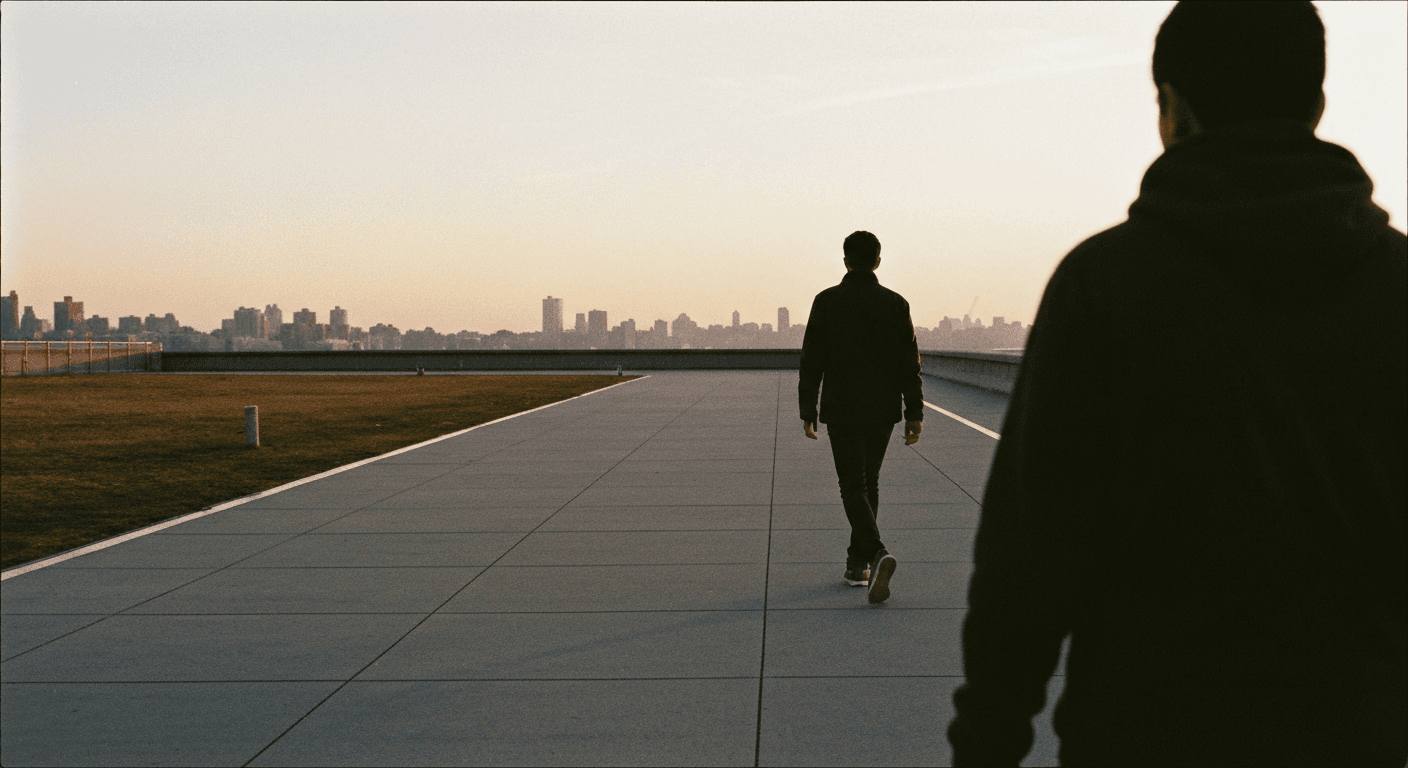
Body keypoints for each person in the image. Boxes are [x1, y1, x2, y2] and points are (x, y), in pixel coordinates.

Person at [947, 2, 1407, 765]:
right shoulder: (1396, 285)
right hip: (1358, 733)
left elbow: (1029, 557)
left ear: (1174, 108)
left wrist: (986, 742)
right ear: (1317, 105)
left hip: (1141, 734)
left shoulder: (1104, 285)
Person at [799, 230, 925, 605]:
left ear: (845, 261)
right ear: (878, 261)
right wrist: (914, 412)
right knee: (869, 483)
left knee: (852, 485)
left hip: (842, 407)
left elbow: (812, 360)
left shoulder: (826, 301)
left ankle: (875, 553)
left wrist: (808, 409)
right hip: (882, 409)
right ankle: (858, 566)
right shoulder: (896, 304)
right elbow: (910, 364)